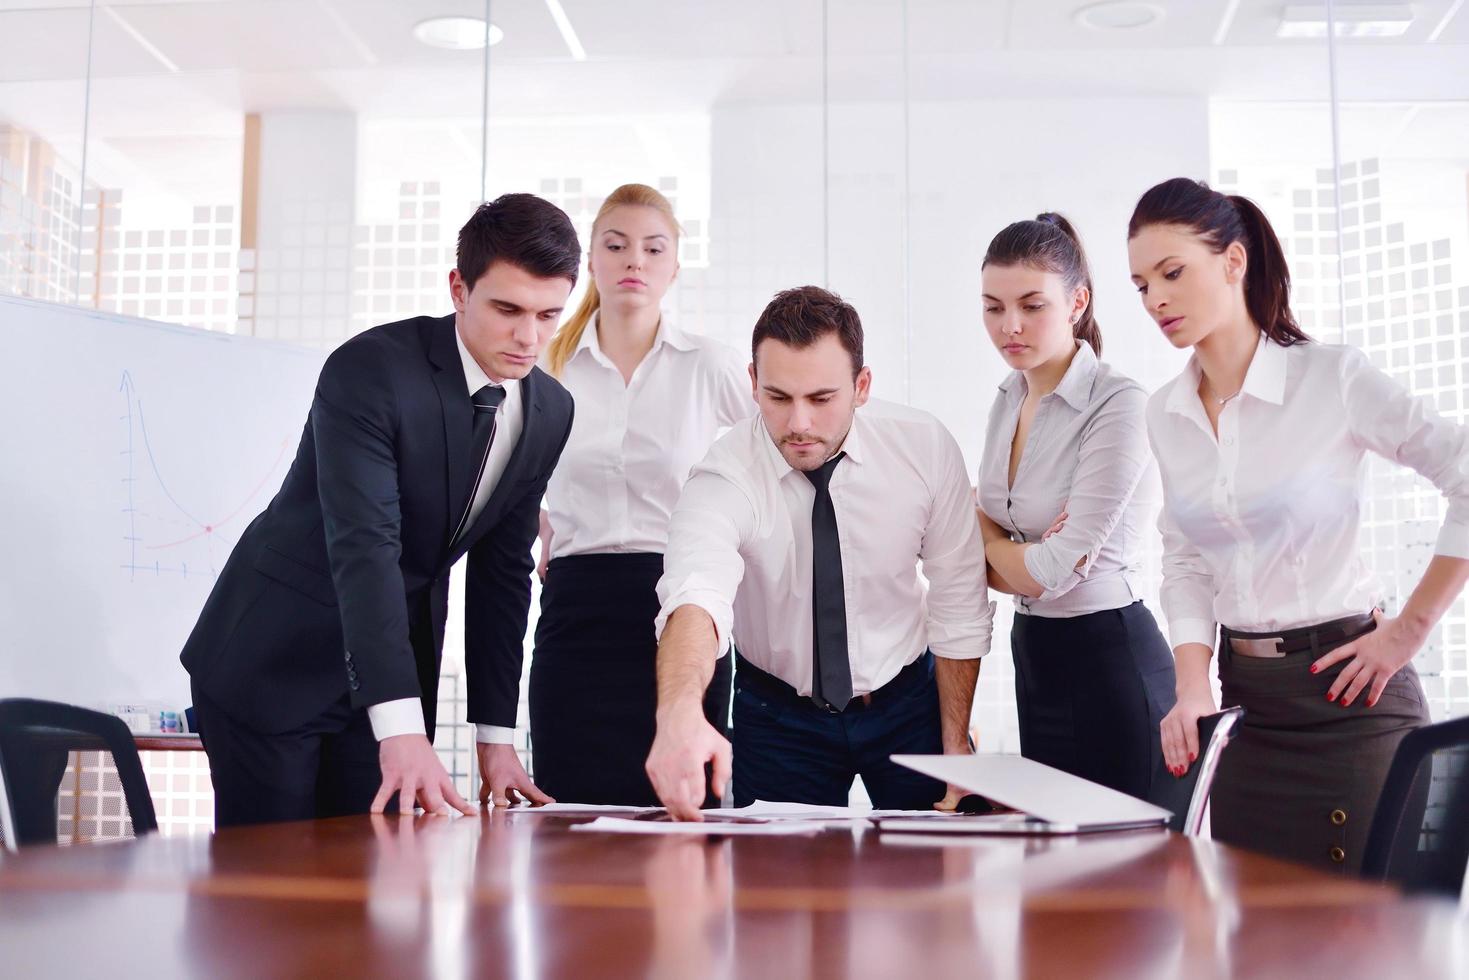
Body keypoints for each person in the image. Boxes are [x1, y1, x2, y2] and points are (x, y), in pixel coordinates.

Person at [180, 193, 580, 827]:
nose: (528, 337)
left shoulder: (550, 410)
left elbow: (503, 576)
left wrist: (496, 738)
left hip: (388, 669)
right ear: (458, 288)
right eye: (507, 309)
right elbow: (366, 545)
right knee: (273, 895)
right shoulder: (369, 371)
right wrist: (401, 725)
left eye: (548, 314)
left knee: (371, 886)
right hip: (273, 659)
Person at [1130, 177, 1469, 872]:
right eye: (1138, 285)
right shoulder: (1164, 413)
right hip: (1248, 713)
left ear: (1232, 261)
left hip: (1352, 699)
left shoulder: (1332, 379)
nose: (1154, 300)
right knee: (1255, 941)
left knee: (1359, 944)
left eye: (1171, 273)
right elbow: (1186, 560)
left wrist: (1406, 631)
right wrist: (1189, 685)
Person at [644, 285, 995, 820]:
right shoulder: (725, 474)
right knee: (778, 893)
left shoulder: (923, 448)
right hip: (778, 714)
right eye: (778, 398)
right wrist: (678, 712)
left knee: (931, 887)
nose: (799, 423)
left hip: (907, 701)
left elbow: (957, 603)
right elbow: (696, 597)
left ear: (862, 386)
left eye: (821, 399)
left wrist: (956, 744)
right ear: (753, 383)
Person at [528, 183, 751, 804]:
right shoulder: (546, 362)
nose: (635, 262)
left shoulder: (709, 364)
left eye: (654, 249)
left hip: (679, 608)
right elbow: (506, 470)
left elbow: (780, 453)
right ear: (589, 262)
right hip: (575, 611)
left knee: (682, 818)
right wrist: (541, 521)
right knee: (569, 821)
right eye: (617, 246)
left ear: (674, 267)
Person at [975, 212, 1176, 799]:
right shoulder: (1007, 398)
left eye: (1032, 305)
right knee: (1055, 878)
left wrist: (994, 547)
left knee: (1128, 879)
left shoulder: (1118, 404)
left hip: (1111, 658)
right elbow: (1000, 550)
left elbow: (1051, 573)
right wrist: (1018, 553)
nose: (1009, 325)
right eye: (993, 307)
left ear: (1077, 301)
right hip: (1035, 658)